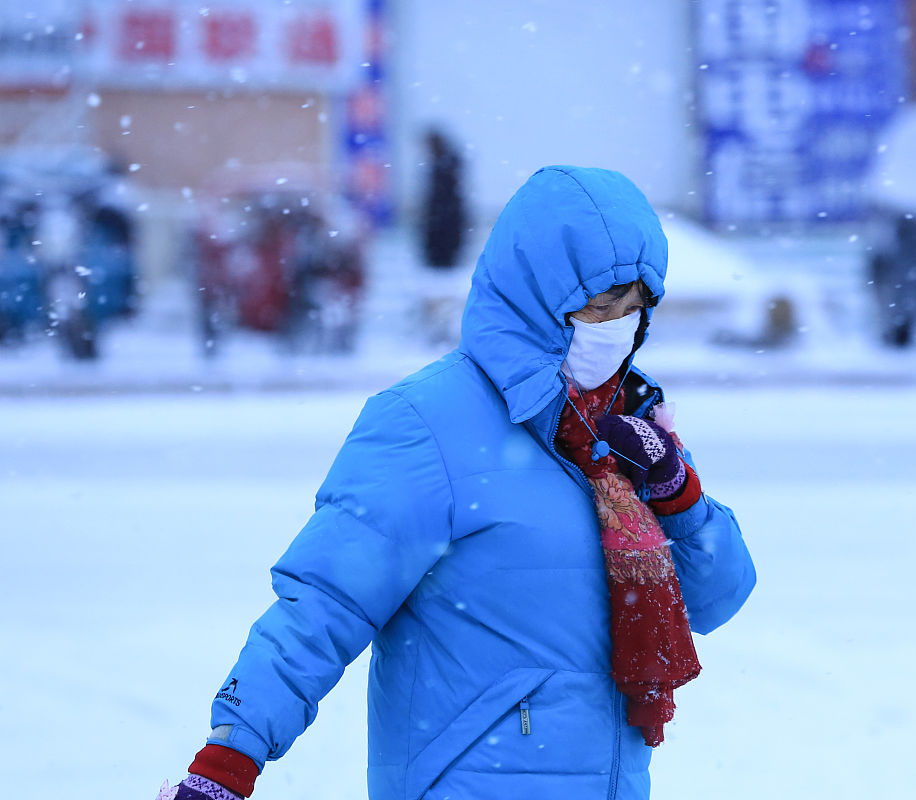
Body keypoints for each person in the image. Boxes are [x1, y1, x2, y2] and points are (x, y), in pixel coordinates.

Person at [157, 166, 756, 800]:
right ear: (539, 294)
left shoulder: (620, 430)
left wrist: (678, 495)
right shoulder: (428, 422)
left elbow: (717, 599)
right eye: (602, 304)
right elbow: (327, 602)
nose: (619, 328)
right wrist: (229, 758)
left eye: (636, 308)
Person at [420, 129, 466, 268]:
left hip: (444, 217)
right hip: (444, 216)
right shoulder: (446, 161)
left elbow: (442, 191)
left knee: (443, 256)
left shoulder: (444, 163)